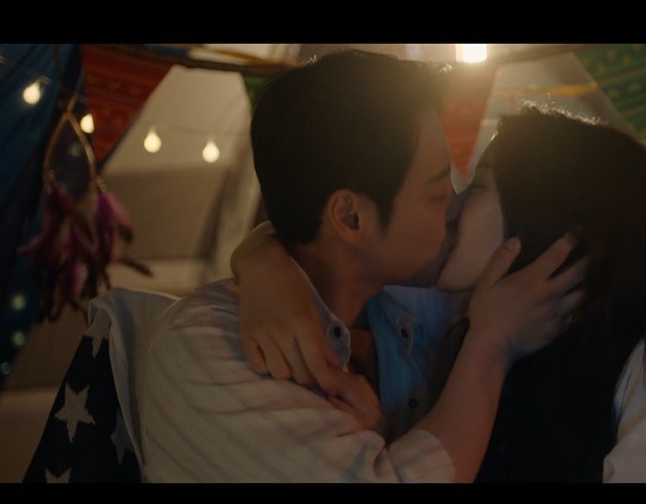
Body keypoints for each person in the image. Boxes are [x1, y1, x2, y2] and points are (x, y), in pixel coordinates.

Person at [234, 105, 646, 482]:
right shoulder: (460, 322)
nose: (451, 207)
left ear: (546, 217)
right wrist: (261, 262)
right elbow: (328, 245)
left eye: (477, 187)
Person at [139, 51, 585, 483]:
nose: (455, 208)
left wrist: (262, 253)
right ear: (351, 217)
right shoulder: (209, 350)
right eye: (435, 192)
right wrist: (490, 347)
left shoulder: (405, 297)